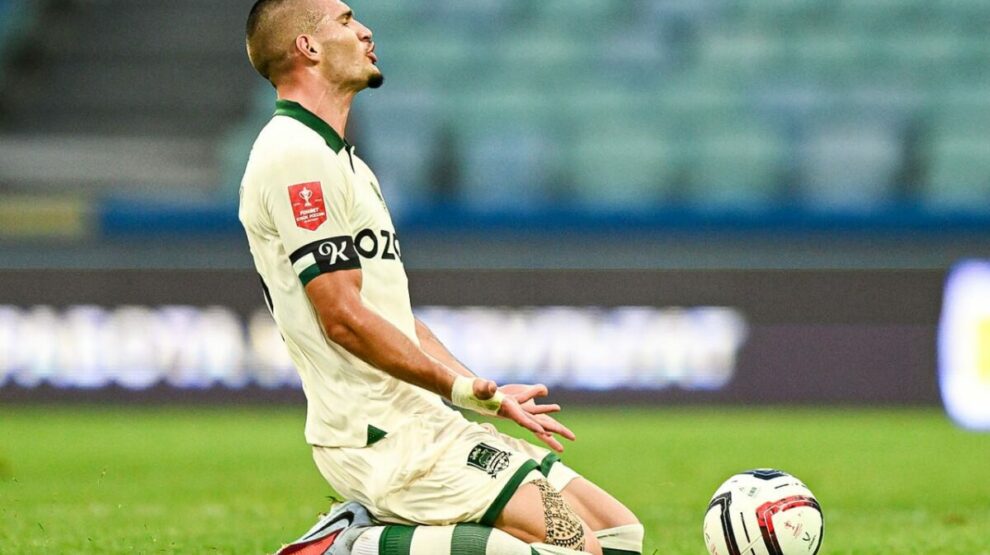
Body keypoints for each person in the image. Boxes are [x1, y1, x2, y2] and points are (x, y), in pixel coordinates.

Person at [239, 1, 643, 554]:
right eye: (346, 20)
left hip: (425, 420)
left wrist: (482, 395)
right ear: (307, 47)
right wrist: (454, 388)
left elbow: (395, 321)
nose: (365, 31)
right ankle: (349, 547)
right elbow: (343, 319)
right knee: (578, 550)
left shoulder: (343, 161)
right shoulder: (294, 156)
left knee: (619, 537)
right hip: (380, 436)